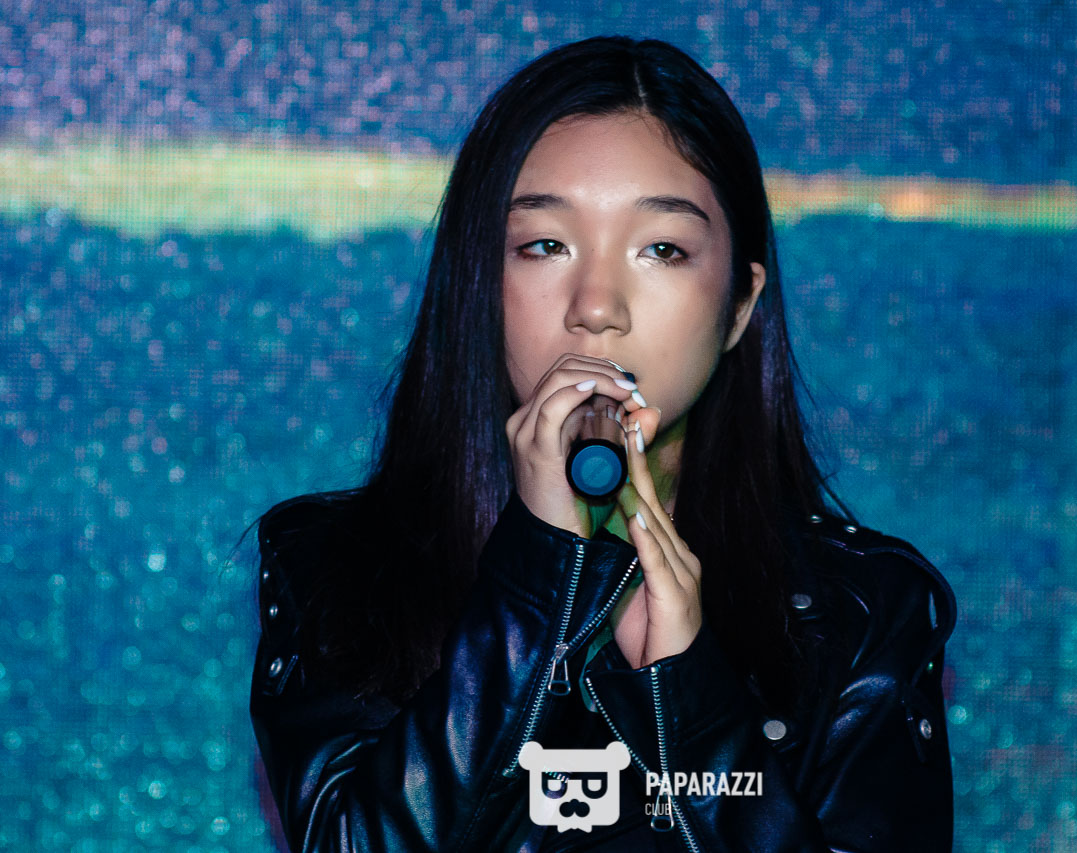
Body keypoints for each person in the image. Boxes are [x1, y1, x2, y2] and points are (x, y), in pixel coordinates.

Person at [249, 35, 957, 852]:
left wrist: (685, 692)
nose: (595, 306)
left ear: (739, 305)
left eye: (662, 249)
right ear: (481, 283)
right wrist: (537, 572)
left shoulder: (862, 613)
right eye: (545, 245)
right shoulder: (336, 568)